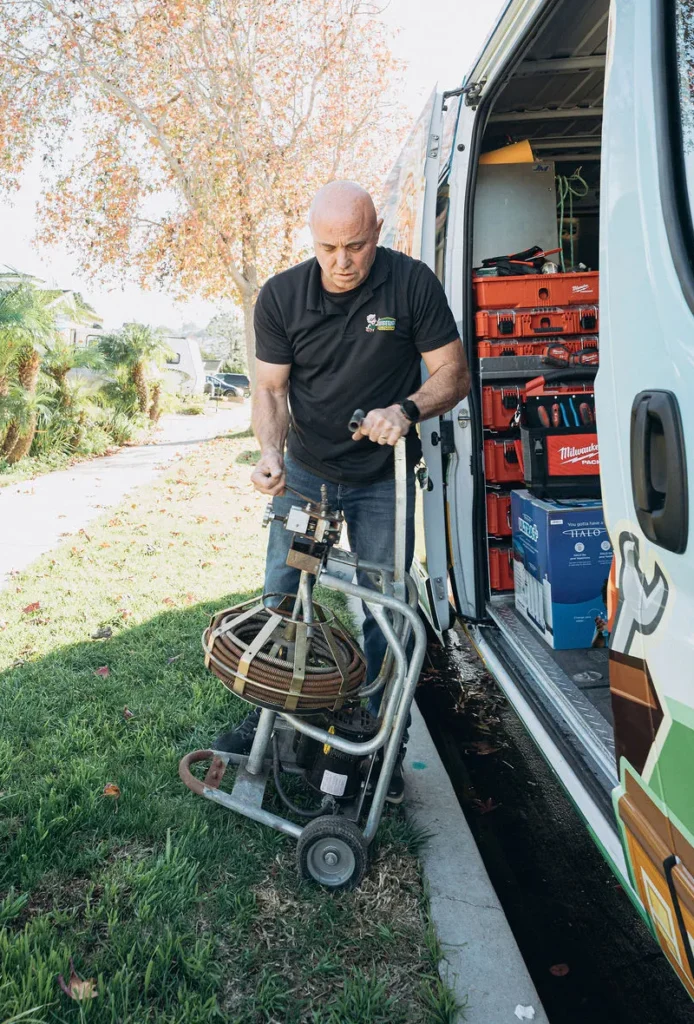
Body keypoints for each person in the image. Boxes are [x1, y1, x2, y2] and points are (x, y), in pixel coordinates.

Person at [215, 180, 470, 802]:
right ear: (312, 239)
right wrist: (270, 454)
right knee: (282, 596)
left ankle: (382, 741)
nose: (342, 261)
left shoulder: (410, 285)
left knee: (387, 606)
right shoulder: (280, 296)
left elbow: (454, 374)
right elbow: (271, 391)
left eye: (355, 245)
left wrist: (406, 409)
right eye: (328, 247)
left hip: (380, 482)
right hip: (304, 472)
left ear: (377, 233)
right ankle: (267, 726)